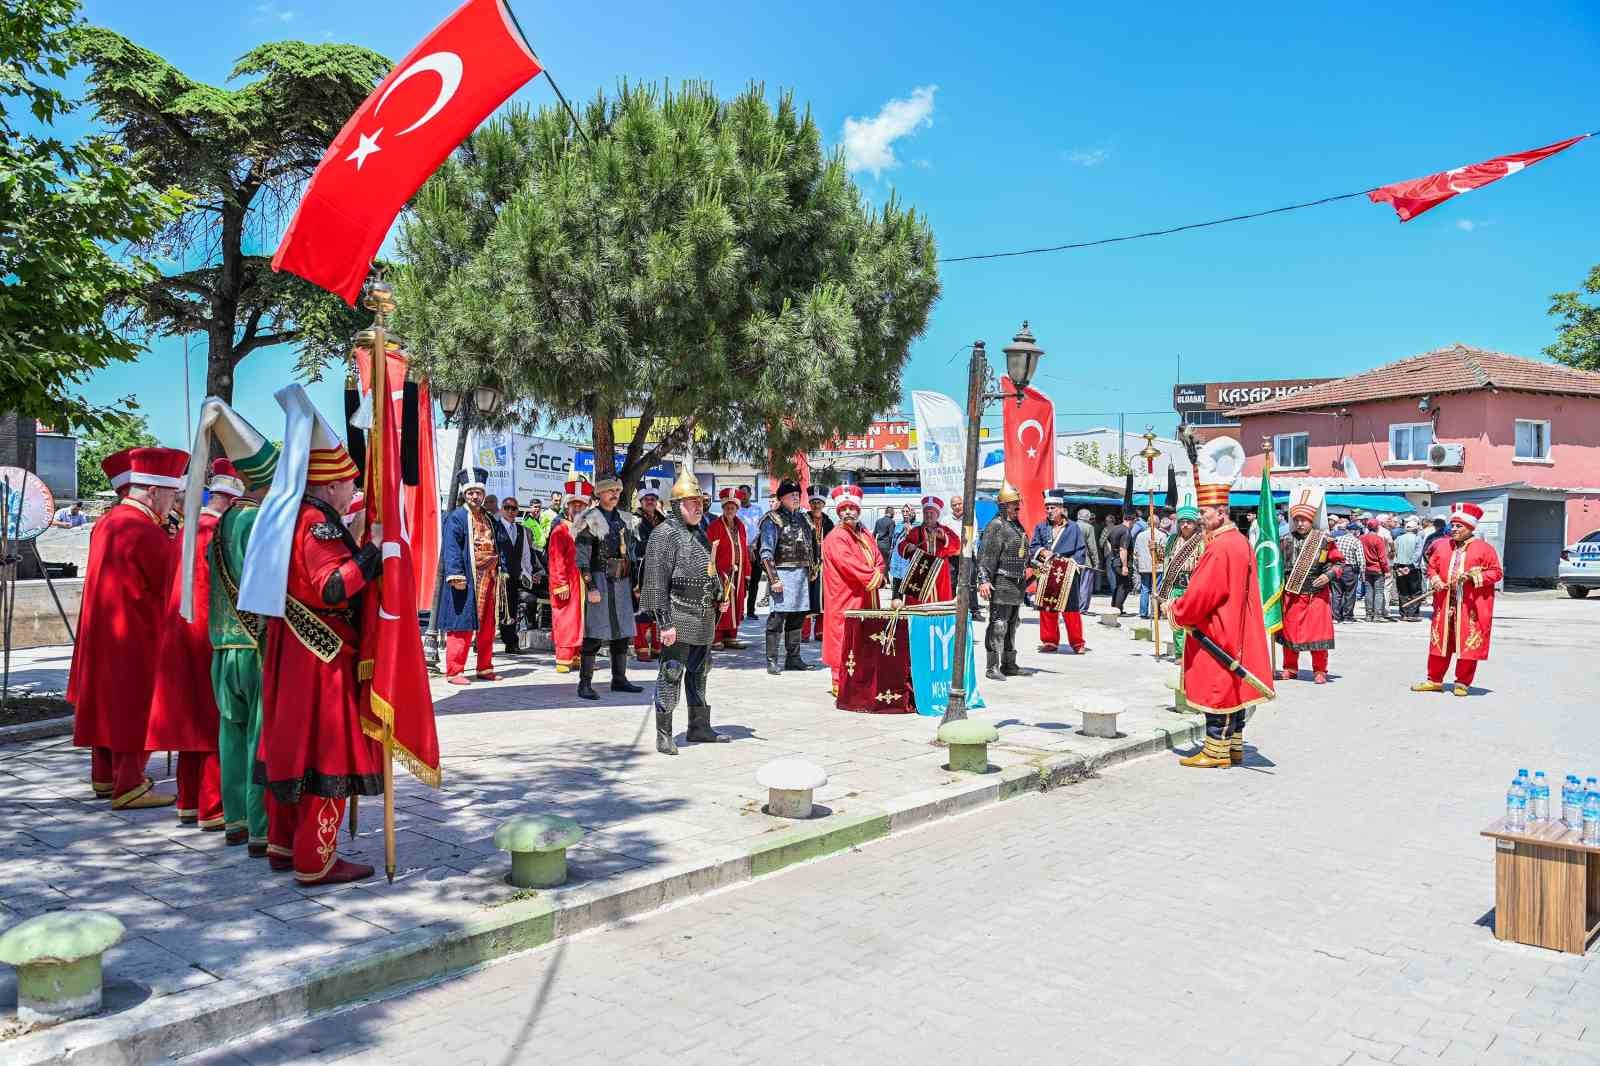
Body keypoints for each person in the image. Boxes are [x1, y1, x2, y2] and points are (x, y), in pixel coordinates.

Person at [249, 401, 384, 885]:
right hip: (322, 652)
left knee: (292, 749)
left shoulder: (291, 514)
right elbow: (331, 586)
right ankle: (316, 858)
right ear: (330, 484)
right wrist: (372, 553)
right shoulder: (318, 521)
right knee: (325, 751)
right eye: (350, 483)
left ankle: (285, 846)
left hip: (294, 646)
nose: (354, 491)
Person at [69, 446, 188, 809]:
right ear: (153, 492)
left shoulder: (110, 520)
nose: (174, 500)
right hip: (137, 633)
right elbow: (175, 579)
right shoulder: (142, 529)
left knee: (107, 704)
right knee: (135, 707)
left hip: (105, 629)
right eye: (172, 493)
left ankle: (105, 777)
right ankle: (130, 784)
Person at [193, 400, 279, 855]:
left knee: (231, 734)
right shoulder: (257, 521)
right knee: (257, 737)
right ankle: (261, 828)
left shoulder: (225, 518)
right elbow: (263, 586)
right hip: (254, 645)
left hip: (222, 645)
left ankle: (235, 820)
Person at [147, 458, 244, 831]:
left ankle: (189, 802)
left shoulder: (188, 529)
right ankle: (212, 805)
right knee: (212, 723)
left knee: (191, 722)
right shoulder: (214, 532)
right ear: (233, 502)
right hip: (207, 635)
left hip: (180, 633)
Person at [1171, 437, 1274, 768]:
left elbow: (1204, 593)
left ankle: (1215, 752)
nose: (1200, 518)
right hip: (1234, 628)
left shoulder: (1220, 546)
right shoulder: (1237, 540)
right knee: (1233, 688)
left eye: (1203, 512)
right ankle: (1233, 746)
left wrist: (1178, 611)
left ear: (1220, 511)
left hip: (1217, 630)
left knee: (1218, 687)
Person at [639, 468, 728, 754]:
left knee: (700, 672)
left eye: (701, 502)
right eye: (692, 503)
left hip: (702, 615)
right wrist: (664, 623)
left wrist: (718, 593)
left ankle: (699, 727)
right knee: (672, 672)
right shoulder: (663, 535)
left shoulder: (700, 534)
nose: (698, 507)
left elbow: (709, 570)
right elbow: (654, 583)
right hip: (677, 614)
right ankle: (663, 734)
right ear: (677, 506)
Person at [1411, 503, 1502, 696]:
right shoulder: (1442, 546)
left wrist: (1473, 577)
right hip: (1445, 604)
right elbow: (1432, 567)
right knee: (1439, 642)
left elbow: (1496, 573)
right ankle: (1434, 680)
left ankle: (1462, 682)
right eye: (1452, 525)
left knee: (1467, 642)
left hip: (1469, 605)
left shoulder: (1484, 549)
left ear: (1470, 527)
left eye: (1458, 526)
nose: (1453, 529)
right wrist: (1435, 579)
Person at [437, 468, 511, 685]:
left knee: (488, 625)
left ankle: (485, 667)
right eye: (471, 493)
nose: (475, 496)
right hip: (467, 578)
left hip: (489, 578)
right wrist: (455, 575)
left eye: (478, 492)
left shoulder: (489, 518)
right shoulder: (456, 517)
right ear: (464, 494)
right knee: (461, 624)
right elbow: (451, 547)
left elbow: (500, 543)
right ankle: (454, 671)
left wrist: (502, 568)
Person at [574, 474, 644, 700]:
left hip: (622, 581)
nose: (614, 494)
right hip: (600, 580)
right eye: (609, 490)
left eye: (617, 490)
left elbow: (632, 554)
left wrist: (635, 584)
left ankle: (619, 679)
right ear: (599, 493)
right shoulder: (589, 519)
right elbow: (582, 558)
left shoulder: (625, 519)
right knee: (595, 632)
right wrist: (591, 586)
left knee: (622, 632)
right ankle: (584, 684)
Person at [820, 485, 886, 696]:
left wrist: (879, 571)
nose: (848, 511)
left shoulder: (865, 533)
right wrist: (875, 577)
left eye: (852, 508)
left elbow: (878, 558)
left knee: (864, 636)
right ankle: (840, 682)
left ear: (859, 510)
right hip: (845, 595)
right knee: (843, 635)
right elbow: (849, 564)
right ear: (838, 512)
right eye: (844, 508)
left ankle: (860, 679)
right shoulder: (836, 536)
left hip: (865, 593)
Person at [1275, 490, 1342, 685]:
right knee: (1290, 633)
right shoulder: (1284, 540)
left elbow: (1339, 564)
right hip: (1292, 594)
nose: (1300, 523)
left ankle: (1320, 670)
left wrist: (1327, 575)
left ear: (1311, 520)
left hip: (1316, 595)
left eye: (1304, 519)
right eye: (1297, 519)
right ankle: (1290, 668)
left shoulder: (1325, 541)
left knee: (1318, 635)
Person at [758, 480, 819, 674]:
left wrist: (813, 570)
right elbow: (766, 552)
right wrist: (774, 579)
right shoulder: (772, 519)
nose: (795, 497)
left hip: (801, 574)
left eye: (797, 494)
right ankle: (772, 660)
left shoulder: (805, 519)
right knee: (777, 618)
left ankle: (793, 659)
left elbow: (812, 547)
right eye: (790, 494)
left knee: (797, 618)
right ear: (781, 498)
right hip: (782, 573)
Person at [976, 481, 1028, 681]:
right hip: (1002, 582)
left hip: (1016, 584)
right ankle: (992, 667)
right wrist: (983, 580)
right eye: (1014, 504)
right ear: (1004, 505)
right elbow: (985, 556)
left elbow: (1019, 553)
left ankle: (1009, 663)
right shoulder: (996, 525)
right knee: (998, 625)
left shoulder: (1015, 526)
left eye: (1018, 503)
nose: (1018, 507)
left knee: (1012, 625)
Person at [1028, 490, 1090, 654]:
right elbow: (1033, 546)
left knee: (1071, 609)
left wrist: (1071, 562)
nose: (1049, 511)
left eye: (1052, 508)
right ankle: (1050, 641)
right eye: (1047, 508)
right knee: (1047, 607)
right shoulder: (1041, 526)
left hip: (1068, 573)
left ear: (1061, 509)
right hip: (1047, 571)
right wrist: (1042, 552)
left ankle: (1077, 643)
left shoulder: (1073, 528)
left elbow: (1081, 550)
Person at [545, 479, 592, 674]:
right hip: (567, 583)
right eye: (574, 504)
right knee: (566, 619)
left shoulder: (588, 528)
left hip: (583, 582)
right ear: (568, 505)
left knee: (581, 620)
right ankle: (563, 658)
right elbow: (555, 560)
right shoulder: (560, 530)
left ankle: (576, 656)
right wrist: (560, 584)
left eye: (581, 504)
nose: (578, 508)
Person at [1157, 495, 1204, 661]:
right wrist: (1154, 550)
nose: (1185, 525)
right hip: (1174, 586)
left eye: (1189, 522)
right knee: (1175, 621)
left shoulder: (1201, 541)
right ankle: (1179, 653)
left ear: (1195, 524)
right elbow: (1163, 558)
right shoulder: (1171, 540)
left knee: (1191, 622)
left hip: (1192, 587)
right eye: (1182, 522)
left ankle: (1191, 653)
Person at [706, 488, 752, 649]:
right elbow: (709, 552)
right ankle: (716, 636)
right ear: (723, 508)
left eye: (732, 507)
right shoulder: (715, 526)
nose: (729, 510)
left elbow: (744, 550)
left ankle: (731, 636)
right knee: (721, 602)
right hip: (721, 572)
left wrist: (747, 572)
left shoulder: (740, 526)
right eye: (727, 507)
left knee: (737, 603)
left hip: (738, 573)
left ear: (737, 509)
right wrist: (711, 573)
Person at [895, 496, 961, 606]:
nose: (929, 515)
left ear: (938, 515)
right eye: (926, 513)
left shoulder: (945, 530)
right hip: (919, 572)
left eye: (932, 513)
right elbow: (901, 546)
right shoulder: (915, 531)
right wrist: (908, 547)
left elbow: (957, 545)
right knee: (917, 606)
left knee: (941, 604)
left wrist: (944, 537)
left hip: (940, 573)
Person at [495, 496, 537, 655]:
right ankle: (482, 641)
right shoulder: (495, 527)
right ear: (502, 509)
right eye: (507, 508)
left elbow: (525, 553)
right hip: (498, 575)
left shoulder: (520, 529)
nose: (511, 511)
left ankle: (511, 642)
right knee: (494, 611)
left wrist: (526, 572)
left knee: (511, 609)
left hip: (513, 575)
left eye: (514, 508)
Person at [633, 488, 668, 662]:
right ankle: (641, 647)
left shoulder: (663, 520)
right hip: (642, 568)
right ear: (641, 502)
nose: (650, 501)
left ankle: (657, 646)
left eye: (653, 499)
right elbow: (636, 544)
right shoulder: (635, 520)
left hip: (661, 569)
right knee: (642, 610)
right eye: (646, 499)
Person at [800, 490, 835, 642]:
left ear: (823, 504)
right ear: (810, 504)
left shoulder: (829, 522)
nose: (816, 505)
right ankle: (804, 632)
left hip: (824, 566)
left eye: (819, 503)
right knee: (806, 597)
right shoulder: (802, 520)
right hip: (806, 565)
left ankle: (820, 631)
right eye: (813, 503)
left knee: (823, 599)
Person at [947, 494, 983, 622]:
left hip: (968, 555)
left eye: (959, 504)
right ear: (951, 507)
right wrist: (953, 550)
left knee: (971, 582)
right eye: (954, 505)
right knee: (951, 582)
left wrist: (962, 550)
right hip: (952, 557)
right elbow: (945, 539)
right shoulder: (946, 520)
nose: (957, 507)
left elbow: (972, 538)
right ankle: (950, 609)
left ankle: (974, 610)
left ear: (963, 504)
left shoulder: (970, 517)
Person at [738, 488, 765, 620]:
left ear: (750, 494)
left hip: (755, 549)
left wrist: (753, 545)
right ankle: (739, 611)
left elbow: (761, 529)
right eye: (740, 493)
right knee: (741, 582)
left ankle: (750, 611)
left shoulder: (758, 509)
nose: (743, 496)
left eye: (745, 493)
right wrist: (746, 547)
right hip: (741, 549)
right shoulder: (736, 510)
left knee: (755, 581)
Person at [1331, 514, 1363, 623]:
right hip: (1350, 569)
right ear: (1355, 531)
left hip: (1336, 567)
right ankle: (1347, 616)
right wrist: (1362, 572)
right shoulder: (1356, 541)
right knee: (1350, 593)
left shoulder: (1337, 540)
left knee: (1337, 593)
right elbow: (1360, 559)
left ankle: (1336, 616)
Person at [1393, 516, 1425, 621]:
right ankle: (1412, 613)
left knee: (1403, 590)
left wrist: (1398, 565)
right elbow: (1418, 554)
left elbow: (1395, 552)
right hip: (1413, 568)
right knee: (1415, 591)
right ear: (1416, 529)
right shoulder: (1417, 538)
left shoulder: (1398, 538)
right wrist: (1410, 566)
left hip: (1399, 566)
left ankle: (1404, 613)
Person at [1359, 518, 1392, 621]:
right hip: (1377, 569)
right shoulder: (1378, 539)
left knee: (1369, 591)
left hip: (1366, 569)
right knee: (1378, 591)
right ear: (1377, 527)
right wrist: (1386, 570)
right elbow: (1382, 558)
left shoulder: (1361, 538)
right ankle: (1377, 615)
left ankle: (1369, 615)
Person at [1107, 511, 1135, 612]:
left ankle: (1115, 606)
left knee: (1119, 584)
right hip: (1122, 562)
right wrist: (1124, 566)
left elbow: (1108, 541)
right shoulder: (1126, 531)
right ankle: (1117, 608)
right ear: (1132, 521)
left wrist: (1113, 554)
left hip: (1114, 560)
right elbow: (1123, 549)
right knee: (1125, 586)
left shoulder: (1115, 528)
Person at [1132, 518, 1157, 619]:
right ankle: (1154, 612)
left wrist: (1136, 565)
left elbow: (1136, 552)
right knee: (1156, 589)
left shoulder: (1140, 535)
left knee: (1145, 589)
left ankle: (1143, 612)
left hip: (1144, 566)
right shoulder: (1162, 535)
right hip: (1157, 567)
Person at [1076, 508, 1101, 603]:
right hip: (1085, 560)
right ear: (1087, 517)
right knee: (1085, 585)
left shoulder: (1072, 525)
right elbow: (1092, 546)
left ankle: (1074, 605)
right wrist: (1096, 562)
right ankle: (1082, 606)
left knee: (1075, 585)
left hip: (1073, 559)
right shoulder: (1089, 527)